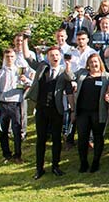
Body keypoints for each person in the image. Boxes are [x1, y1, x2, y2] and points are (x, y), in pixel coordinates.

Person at [26, 48, 74, 180]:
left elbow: (70, 80)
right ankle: (39, 168)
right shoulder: (42, 68)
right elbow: (28, 59)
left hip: (56, 109)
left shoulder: (64, 71)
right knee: (41, 139)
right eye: (52, 55)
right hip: (41, 108)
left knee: (56, 139)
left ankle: (55, 166)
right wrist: (25, 40)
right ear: (48, 57)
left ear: (61, 56)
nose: (55, 57)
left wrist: (68, 66)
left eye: (57, 55)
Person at [72, 53, 109, 173]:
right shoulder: (82, 74)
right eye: (91, 62)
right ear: (88, 64)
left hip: (98, 112)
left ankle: (96, 162)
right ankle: (83, 162)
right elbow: (69, 77)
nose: (94, 64)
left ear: (100, 62)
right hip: (83, 112)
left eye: (95, 62)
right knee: (82, 138)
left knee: (98, 137)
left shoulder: (107, 77)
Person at [0, 49, 34, 164]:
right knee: (3, 131)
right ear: (4, 58)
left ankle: (18, 154)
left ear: (15, 58)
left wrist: (26, 80)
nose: (10, 59)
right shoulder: (0, 73)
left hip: (15, 103)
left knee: (17, 129)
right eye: (7, 57)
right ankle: (6, 154)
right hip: (3, 104)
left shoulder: (20, 71)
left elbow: (31, 83)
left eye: (11, 56)